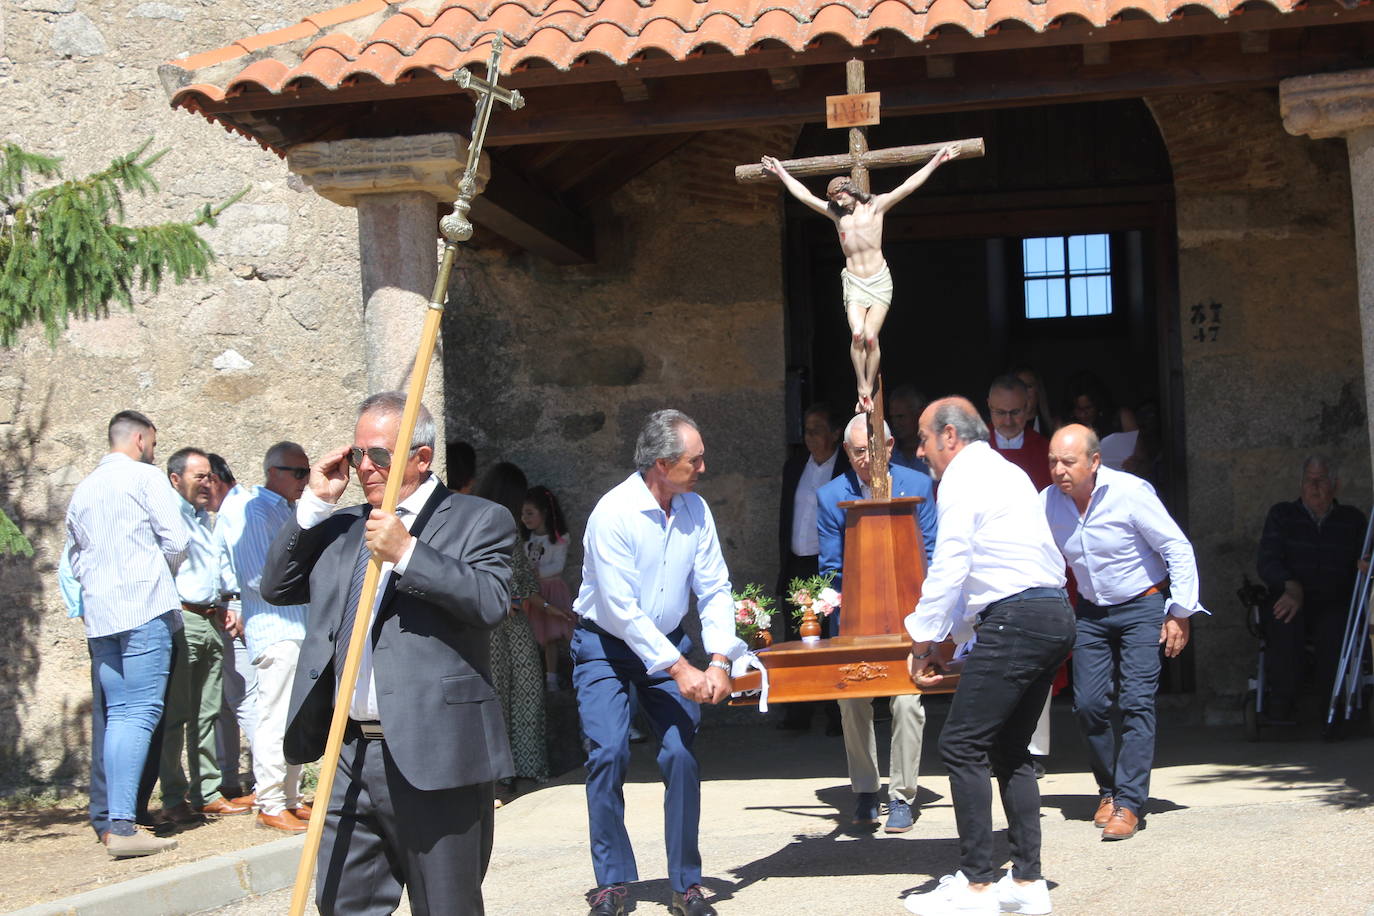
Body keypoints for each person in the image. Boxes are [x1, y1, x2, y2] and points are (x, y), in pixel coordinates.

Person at [261, 392, 516, 916]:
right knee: (341, 904)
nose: (366, 467)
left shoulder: (477, 519)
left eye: (380, 454)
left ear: (421, 458)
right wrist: (313, 503)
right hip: (347, 750)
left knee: (446, 907)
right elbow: (277, 586)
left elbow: (490, 601)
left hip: (435, 753)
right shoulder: (342, 526)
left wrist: (408, 553)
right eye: (358, 455)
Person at [900, 398, 1073, 916]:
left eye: (924, 438)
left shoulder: (960, 478)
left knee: (961, 745)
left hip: (1018, 617)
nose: (920, 449)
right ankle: (1026, 884)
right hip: (1051, 613)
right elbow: (992, 567)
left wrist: (922, 638)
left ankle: (976, 886)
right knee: (1010, 750)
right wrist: (957, 642)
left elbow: (952, 562)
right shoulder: (1008, 471)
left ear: (950, 436)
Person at [573, 409, 745, 916]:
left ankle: (686, 884)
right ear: (662, 464)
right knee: (607, 753)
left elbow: (715, 587)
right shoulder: (613, 513)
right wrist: (680, 669)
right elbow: (621, 610)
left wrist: (717, 659)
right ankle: (612, 882)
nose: (703, 467)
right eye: (696, 460)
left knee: (680, 755)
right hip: (604, 645)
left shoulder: (696, 510)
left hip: (667, 643)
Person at [1044, 424, 1206, 840]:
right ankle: (1109, 789)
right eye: (1053, 462)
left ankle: (1130, 802)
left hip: (1142, 604)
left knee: (1136, 701)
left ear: (1094, 462)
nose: (1059, 470)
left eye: (1068, 462)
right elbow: (1032, 555)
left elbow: (1176, 547)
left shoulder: (1130, 492)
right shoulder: (1046, 505)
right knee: (1089, 705)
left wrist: (1179, 611)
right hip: (1091, 611)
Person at [66, 410, 189, 858]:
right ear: (139, 440)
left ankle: (118, 821)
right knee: (138, 714)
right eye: (153, 444)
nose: (153, 451)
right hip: (143, 608)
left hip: (103, 616)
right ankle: (122, 824)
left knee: (120, 715)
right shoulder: (144, 477)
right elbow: (176, 541)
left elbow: (76, 559)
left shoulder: (84, 489)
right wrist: (157, 576)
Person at [762, 148, 959, 412]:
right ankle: (861, 387)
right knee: (856, 334)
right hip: (854, 281)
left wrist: (936, 161)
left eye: (840, 196)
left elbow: (908, 186)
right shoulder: (837, 215)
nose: (839, 202)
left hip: (878, 280)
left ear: (851, 190)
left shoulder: (876, 207)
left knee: (870, 337)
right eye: (833, 199)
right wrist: (781, 173)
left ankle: (867, 387)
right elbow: (804, 196)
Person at [817, 414, 937, 834]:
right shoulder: (832, 495)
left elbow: (934, 553)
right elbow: (831, 568)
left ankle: (902, 795)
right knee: (851, 701)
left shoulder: (918, 485)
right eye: (856, 451)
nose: (866, 458)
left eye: (873, 448)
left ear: (889, 446)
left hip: (909, 618)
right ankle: (866, 790)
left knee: (907, 702)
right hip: (857, 619)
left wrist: (931, 618)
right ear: (846, 453)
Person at [216, 441, 313, 833]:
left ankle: (289, 797)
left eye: (307, 472)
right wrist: (311, 581)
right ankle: (271, 802)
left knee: (295, 721)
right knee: (274, 719)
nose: (305, 481)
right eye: (299, 473)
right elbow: (259, 579)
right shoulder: (257, 512)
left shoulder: (286, 511)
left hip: (297, 627)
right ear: (273, 472)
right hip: (276, 629)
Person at [157, 447, 249, 822]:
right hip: (184, 618)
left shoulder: (201, 520)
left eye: (211, 476)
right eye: (200, 476)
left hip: (210, 619)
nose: (208, 482)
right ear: (176, 479)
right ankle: (174, 797)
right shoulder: (168, 519)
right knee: (178, 714)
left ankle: (207, 791)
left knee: (207, 711)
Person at [1257, 455, 1367, 731]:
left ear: (1336, 485)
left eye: (1321, 480)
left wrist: (1366, 565)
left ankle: (1331, 712)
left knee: (1336, 630)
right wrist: (1290, 585)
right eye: (1309, 479)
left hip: (1335, 599)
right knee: (1284, 619)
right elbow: (1267, 561)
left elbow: (1365, 559)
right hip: (1292, 596)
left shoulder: (1352, 520)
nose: (1314, 486)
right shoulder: (1282, 515)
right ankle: (1281, 705)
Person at [776, 402, 849, 732]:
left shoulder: (846, 469)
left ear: (836, 434)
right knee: (797, 637)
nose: (809, 437)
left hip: (831, 564)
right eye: (806, 431)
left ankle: (838, 714)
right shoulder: (794, 467)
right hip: (798, 564)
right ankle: (799, 711)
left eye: (817, 430)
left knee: (832, 637)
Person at [477, 462, 550, 791]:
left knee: (528, 689)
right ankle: (501, 773)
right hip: (492, 624)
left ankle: (528, 766)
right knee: (499, 694)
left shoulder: (507, 527)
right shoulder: (481, 523)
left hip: (515, 621)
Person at [208, 453, 256, 803]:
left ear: (215, 479)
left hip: (236, 605)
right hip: (229, 604)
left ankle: (269, 780)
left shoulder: (237, 510)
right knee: (229, 700)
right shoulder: (236, 507)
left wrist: (237, 607)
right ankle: (229, 779)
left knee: (243, 698)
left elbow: (245, 562)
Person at [522, 484, 577, 690]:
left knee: (552, 636)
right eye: (522, 513)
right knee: (536, 635)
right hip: (533, 593)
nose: (525, 518)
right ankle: (536, 676)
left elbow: (558, 565)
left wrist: (538, 573)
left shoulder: (559, 539)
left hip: (552, 591)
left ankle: (552, 677)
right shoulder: (527, 540)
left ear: (544, 512)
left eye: (529, 513)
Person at [986, 375, 1051, 492]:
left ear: (1027, 407)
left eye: (1015, 412)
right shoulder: (972, 448)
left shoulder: (1046, 452)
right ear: (989, 405)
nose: (1008, 421)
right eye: (1000, 412)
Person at [886, 385, 929, 474]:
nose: (895, 422)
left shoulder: (934, 449)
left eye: (900, 417)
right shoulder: (887, 450)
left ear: (920, 414)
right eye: (892, 417)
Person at [1011, 365, 1053, 436]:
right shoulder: (1002, 429)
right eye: (1019, 387)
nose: (1024, 392)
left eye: (1028, 386)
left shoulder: (1053, 426)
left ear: (1038, 390)